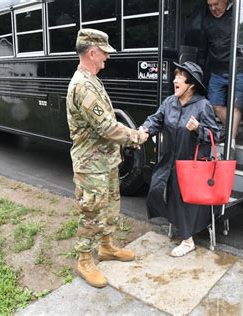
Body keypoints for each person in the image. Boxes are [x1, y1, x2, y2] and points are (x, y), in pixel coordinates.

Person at [66, 28, 149, 288]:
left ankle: (106, 247)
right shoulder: (83, 86)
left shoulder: (92, 80)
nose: (107, 58)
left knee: (111, 205)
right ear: (92, 52)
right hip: (91, 165)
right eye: (104, 52)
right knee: (91, 211)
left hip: (105, 162)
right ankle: (84, 261)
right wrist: (136, 136)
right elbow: (108, 128)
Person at [139, 61, 220, 257]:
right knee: (156, 189)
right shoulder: (169, 103)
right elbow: (156, 119)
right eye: (175, 76)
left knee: (182, 199)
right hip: (169, 159)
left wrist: (199, 129)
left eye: (179, 77)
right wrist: (145, 129)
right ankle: (176, 222)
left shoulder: (202, 106)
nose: (174, 80)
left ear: (190, 84)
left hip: (191, 163)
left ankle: (187, 240)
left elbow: (215, 135)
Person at [197, 0, 243, 157]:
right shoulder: (207, 21)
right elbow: (203, 49)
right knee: (214, 105)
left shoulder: (240, 15)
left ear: (226, 1)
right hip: (217, 71)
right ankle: (234, 129)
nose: (213, 8)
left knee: (235, 107)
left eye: (216, 4)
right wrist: (199, 70)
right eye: (210, 5)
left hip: (240, 69)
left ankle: (231, 143)